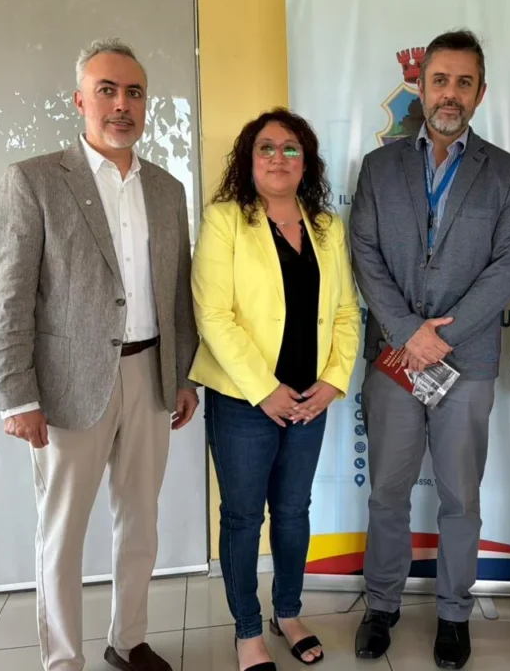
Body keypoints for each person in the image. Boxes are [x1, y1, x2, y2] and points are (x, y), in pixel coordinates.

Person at [0, 39, 199, 671]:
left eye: (134, 92)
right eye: (107, 90)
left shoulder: (167, 189)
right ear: (80, 100)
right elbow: (8, 300)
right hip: (66, 385)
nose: (121, 104)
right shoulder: (34, 181)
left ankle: (128, 641)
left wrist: (183, 375)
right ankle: (63, 660)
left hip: (151, 375)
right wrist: (17, 395)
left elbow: (177, 292)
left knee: (140, 521)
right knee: (63, 530)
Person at [349, 29, 510, 670]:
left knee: (460, 497)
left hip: (468, 362)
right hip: (395, 359)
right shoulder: (379, 168)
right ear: (420, 87)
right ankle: (381, 604)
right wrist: (409, 331)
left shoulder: (507, 173)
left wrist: (441, 337)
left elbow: (509, 265)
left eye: (463, 82)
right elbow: (364, 253)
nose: (449, 93)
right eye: (439, 80)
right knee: (388, 493)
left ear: (481, 93)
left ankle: (454, 613)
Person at [190, 109, 361, 671]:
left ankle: (287, 613)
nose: (279, 157)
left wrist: (333, 382)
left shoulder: (327, 227)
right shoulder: (224, 220)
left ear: (306, 162)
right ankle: (247, 630)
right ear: (249, 158)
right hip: (245, 402)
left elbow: (345, 311)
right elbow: (213, 315)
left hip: (311, 401)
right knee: (243, 518)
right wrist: (265, 391)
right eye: (266, 147)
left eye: (291, 148)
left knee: (292, 511)